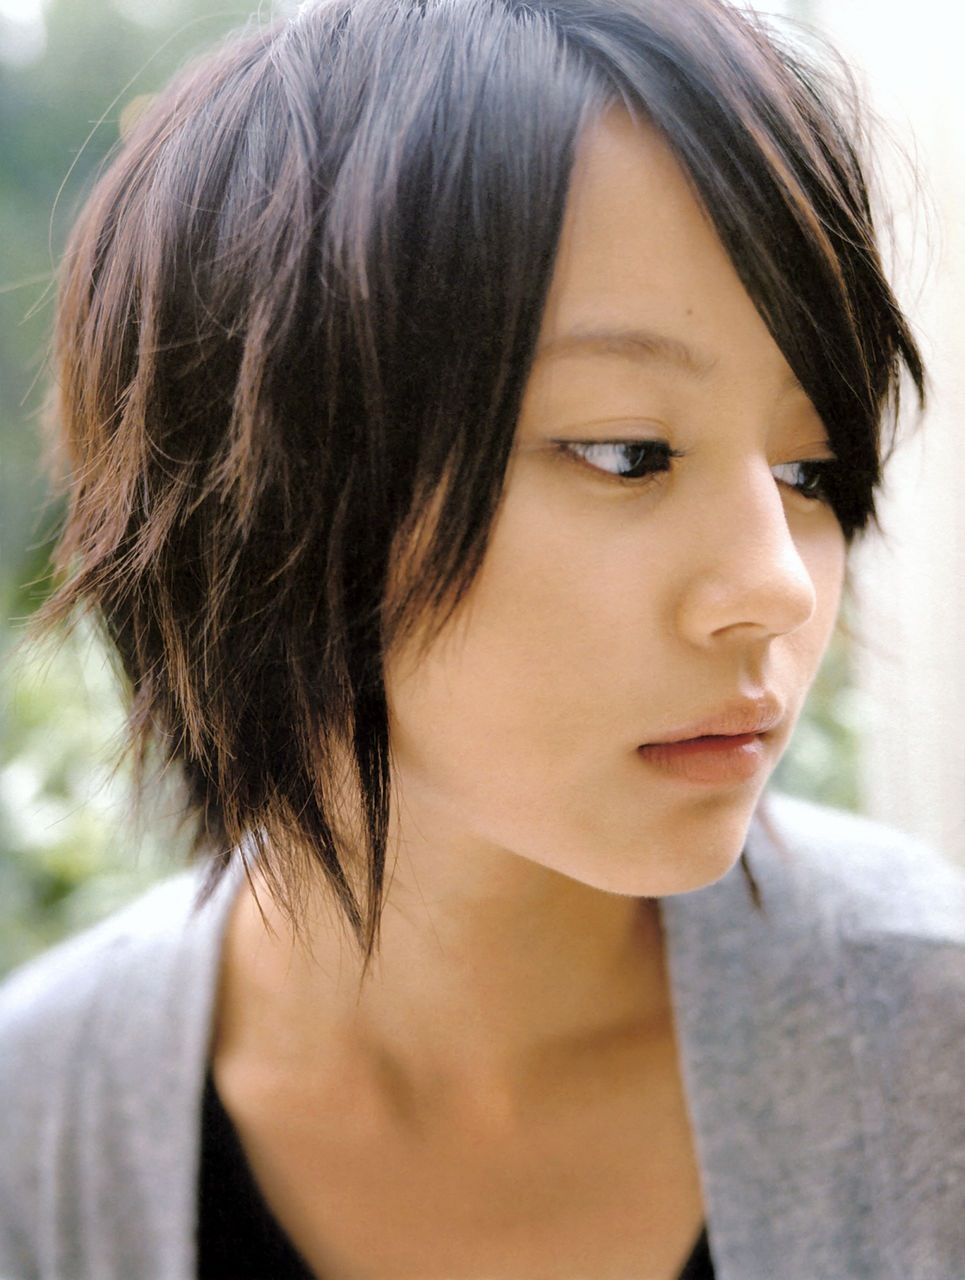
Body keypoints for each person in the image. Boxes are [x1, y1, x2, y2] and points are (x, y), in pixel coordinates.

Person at [1, 0, 963, 1276]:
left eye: (808, 469)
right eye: (627, 450)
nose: (776, 585)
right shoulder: (38, 1133)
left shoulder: (924, 1044)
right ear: (274, 480)